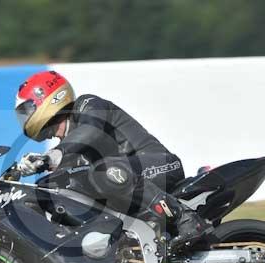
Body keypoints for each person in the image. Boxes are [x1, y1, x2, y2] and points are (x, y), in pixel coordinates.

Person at [14, 71, 212, 249]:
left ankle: (185, 217)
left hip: (160, 166)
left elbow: (91, 131)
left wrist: (50, 156)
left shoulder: (87, 105)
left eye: (27, 110)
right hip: (126, 185)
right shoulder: (69, 147)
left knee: (103, 171)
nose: (26, 117)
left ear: (45, 99)